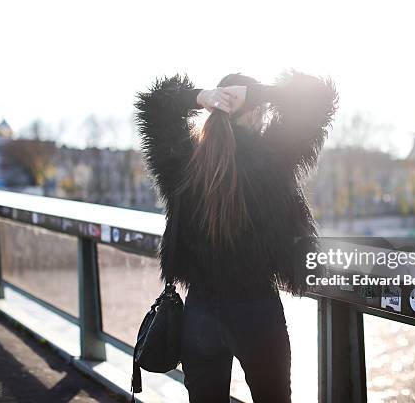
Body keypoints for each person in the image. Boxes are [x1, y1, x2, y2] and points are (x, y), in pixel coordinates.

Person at [135, 70, 337, 403]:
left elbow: (154, 104)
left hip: (199, 313)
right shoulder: (276, 158)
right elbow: (319, 98)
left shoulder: (183, 162)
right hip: (256, 311)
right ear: (256, 110)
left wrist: (201, 96)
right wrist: (259, 93)